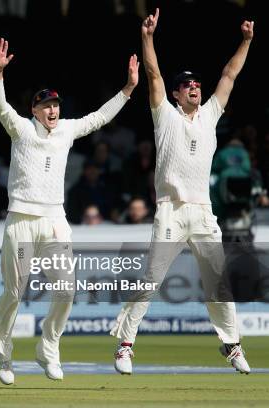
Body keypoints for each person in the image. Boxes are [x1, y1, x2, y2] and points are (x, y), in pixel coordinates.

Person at [110, 9, 253, 375]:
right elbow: (154, 74)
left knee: (218, 280)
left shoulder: (209, 114)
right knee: (151, 279)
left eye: (197, 85)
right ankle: (125, 345)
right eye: (187, 85)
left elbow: (230, 74)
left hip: (202, 211)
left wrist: (246, 41)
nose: (195, 87)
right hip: (171, 209)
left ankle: (231, 345)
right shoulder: (166, 115)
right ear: (175, 94)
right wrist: (147, 37)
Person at [0, 37, 137, 384]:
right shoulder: (21, 129)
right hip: (22, 221)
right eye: (46, 106)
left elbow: (99, 118)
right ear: (35, 111)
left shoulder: (67, 129)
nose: (53, 111)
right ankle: (3, 355)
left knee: (66, 289)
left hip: (55, 221)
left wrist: (128, 89)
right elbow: (0, 108)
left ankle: (48, 349)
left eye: (56, 105)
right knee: (14, 291)